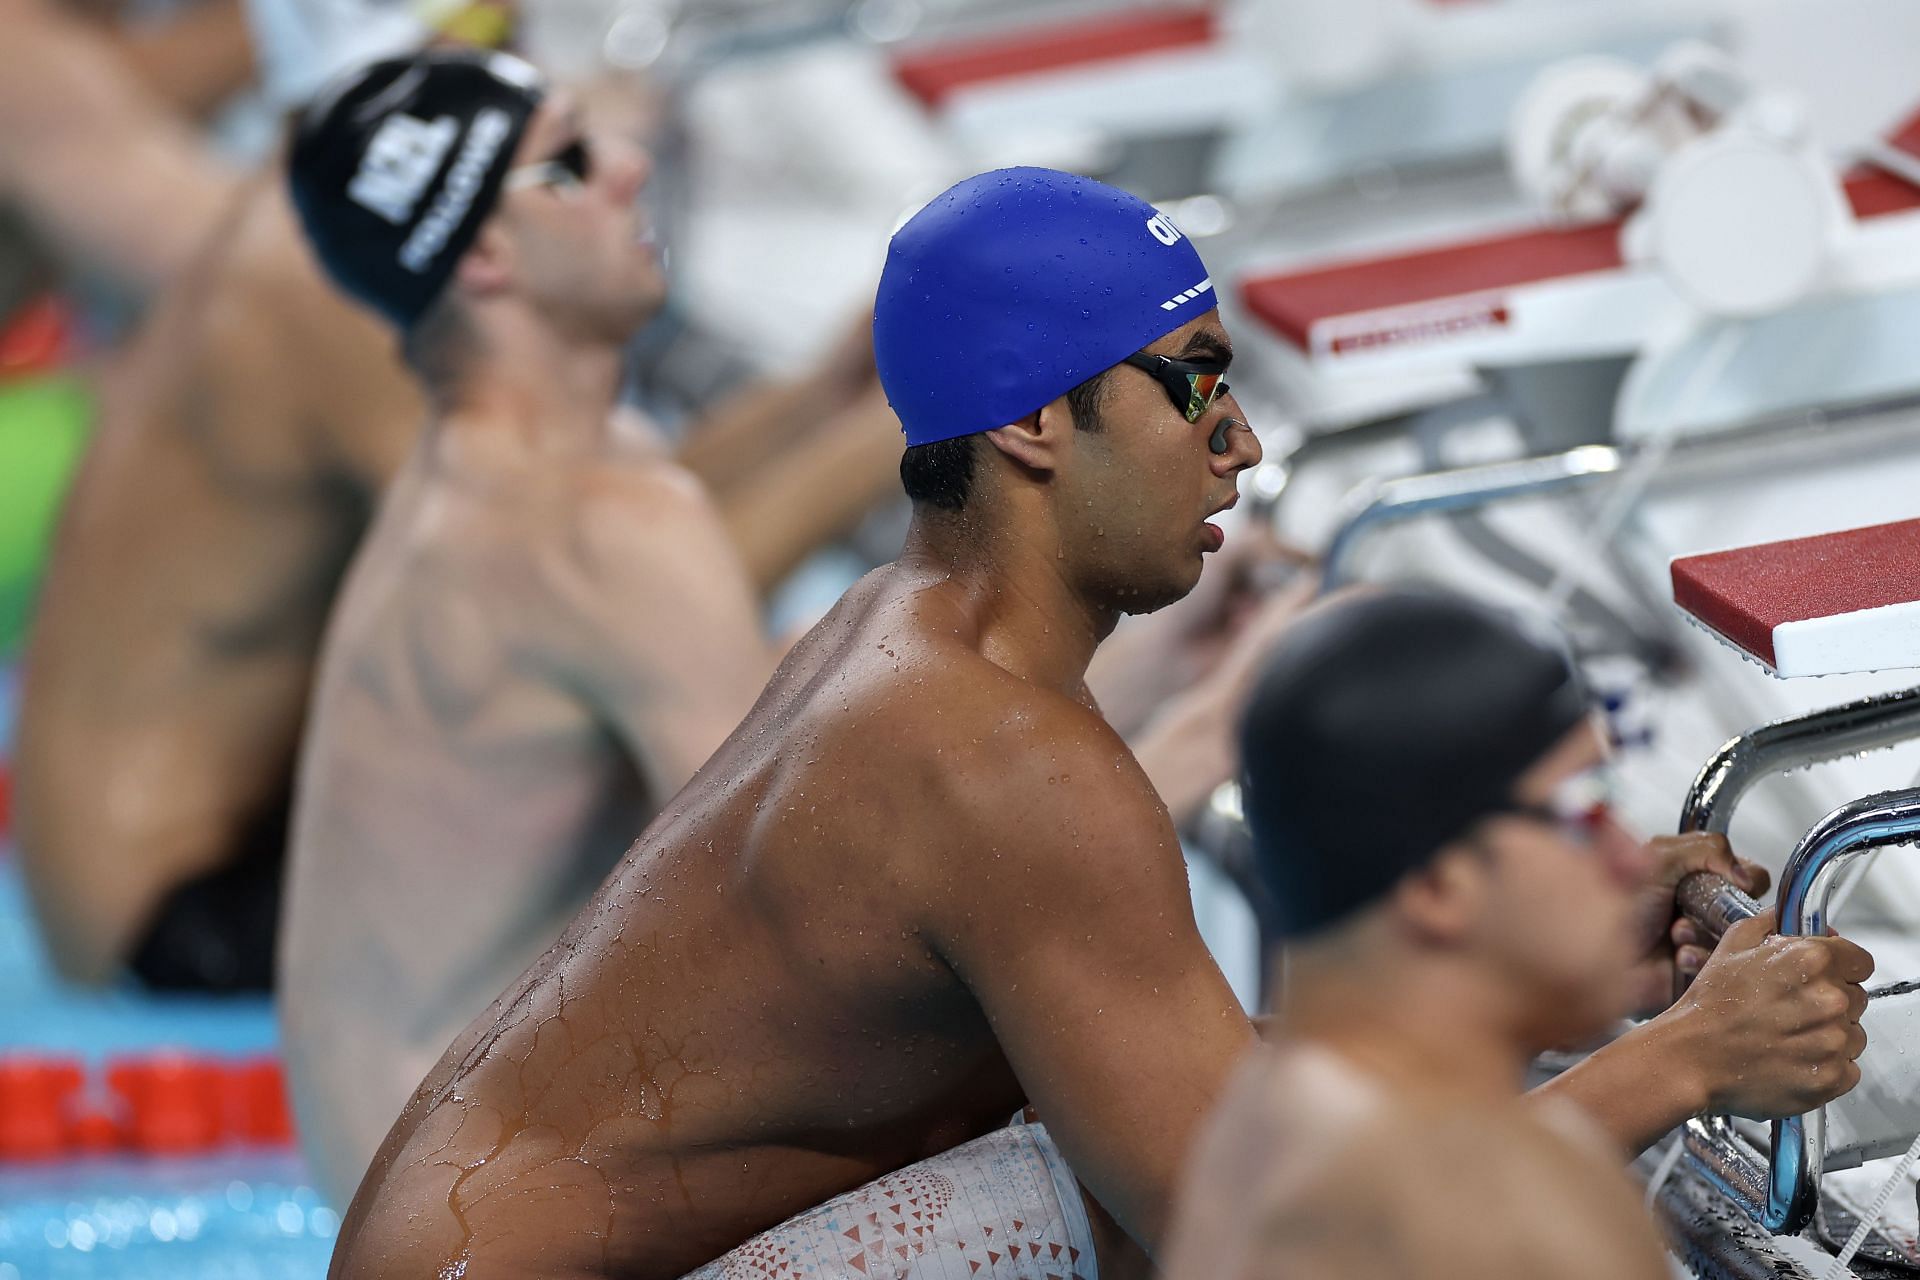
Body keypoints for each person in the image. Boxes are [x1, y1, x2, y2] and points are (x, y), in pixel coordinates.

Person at [325, 166, 1866, 1280]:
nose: (1244, 444)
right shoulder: (997, 763)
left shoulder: (906, 649)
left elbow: (1179, 1067)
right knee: (1109, 1213)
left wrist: (1565, 970)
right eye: (1194, 384)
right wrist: (1682, 1065)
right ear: (1032, 420)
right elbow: (1261, 1225)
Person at [13, 10, 898, 993]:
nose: (618, 164)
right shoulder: (331, 290)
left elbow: (628, 525)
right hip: (181, 912)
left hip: (188, 870)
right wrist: (908, 428)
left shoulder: (340, 238)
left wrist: (828, 397)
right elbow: (607, 599)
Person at [274, 48, 779, 1203]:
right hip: (498, 1231)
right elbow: (826, 902)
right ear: (487, 255)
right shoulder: (598, 528)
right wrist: (1191, 737)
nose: (629, 167)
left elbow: (793, 721)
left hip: (404, 1213)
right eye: (570, 162)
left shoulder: (478, 488)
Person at [1165, 590, 1874, 1279]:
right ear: (1440, 886)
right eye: (1581, 810)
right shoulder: (1527, 1214)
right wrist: (1694, 1054)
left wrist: (1541, 982)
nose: (1633, 857)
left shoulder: (1254, 1118)